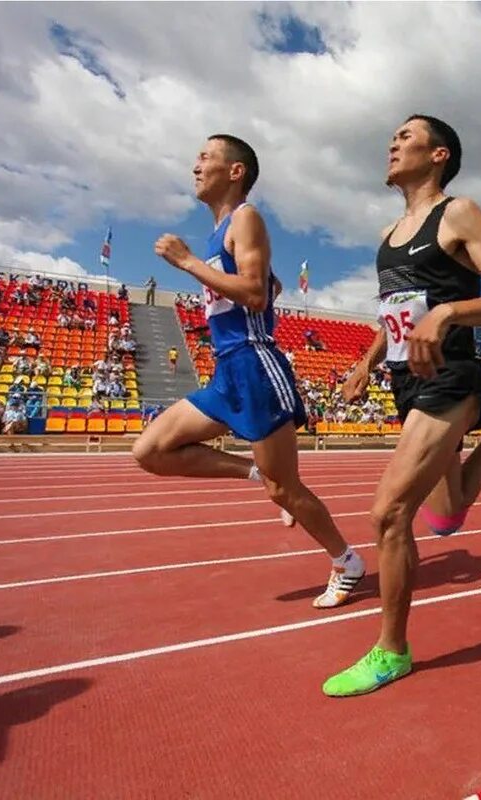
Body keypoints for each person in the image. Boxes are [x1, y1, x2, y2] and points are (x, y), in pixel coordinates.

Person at [323, 115, 481, 697]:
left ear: (439, 155)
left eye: (406, 137)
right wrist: (367, 363)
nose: (392, 144)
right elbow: (396, 313)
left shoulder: (459, 213)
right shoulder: (388, 235)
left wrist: (449, 313)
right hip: (406, 381)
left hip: (450, 378)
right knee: (446, 518)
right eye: (392, 137)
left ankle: (391, 651)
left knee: (389, 514)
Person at [133, 133, 365, 609]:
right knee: (151, 450)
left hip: (256, 364)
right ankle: (252, 472)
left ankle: (346, 561)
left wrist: (188, 263)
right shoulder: (222, 232)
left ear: (235, 171)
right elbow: (258, 287)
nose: (195, 166)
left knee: (287, 489)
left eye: (205, 157)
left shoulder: (246, 217)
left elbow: (255, 294)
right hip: (225, 372)